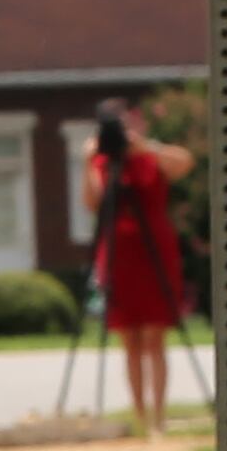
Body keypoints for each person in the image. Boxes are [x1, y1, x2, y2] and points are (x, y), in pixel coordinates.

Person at [86, 98, 195, 433]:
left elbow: (184, 164)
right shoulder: (103, 161)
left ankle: (160, 417)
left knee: (154, 336)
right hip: (119, 252)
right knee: (129, 340)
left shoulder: (149, 157)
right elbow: (92, 203)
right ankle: (139, 413)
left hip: (154, 252)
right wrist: (88, 162)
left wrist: (144, 146)